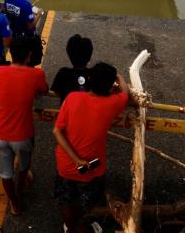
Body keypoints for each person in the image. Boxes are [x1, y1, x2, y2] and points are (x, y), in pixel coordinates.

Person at [53, 62, 131, 233]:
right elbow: (125, 92)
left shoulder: (72, 98)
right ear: (110, 86)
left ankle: (70, 226)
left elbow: (57, 131)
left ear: (89, 79)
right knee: (87, 200)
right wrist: (119, 76)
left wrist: (76, 159)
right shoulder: (112, 103)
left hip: (66, 164)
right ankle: (77, 226)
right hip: (92, 168)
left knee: (65, 199)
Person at [0, 38, 48, 215]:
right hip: (23, 134)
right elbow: (44, 90)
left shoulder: (0, 70)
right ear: (29, 56)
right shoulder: (37, 74)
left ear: (11, 54)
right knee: (23, 168)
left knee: (5, 173)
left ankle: (14, 203)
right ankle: (20, 190)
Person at [4, 0, 43, 65]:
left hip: (15, 37)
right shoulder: (25, 4)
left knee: (17, 62)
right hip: (27, 40)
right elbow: (30, 26)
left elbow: (10, 15)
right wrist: (38, 14)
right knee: (30, 62)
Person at [51, 34, 93, 104]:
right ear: (89, 57)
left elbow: (57, 92)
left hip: (67, 112)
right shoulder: (95, 74)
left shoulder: (63, 73)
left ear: (70, 55)